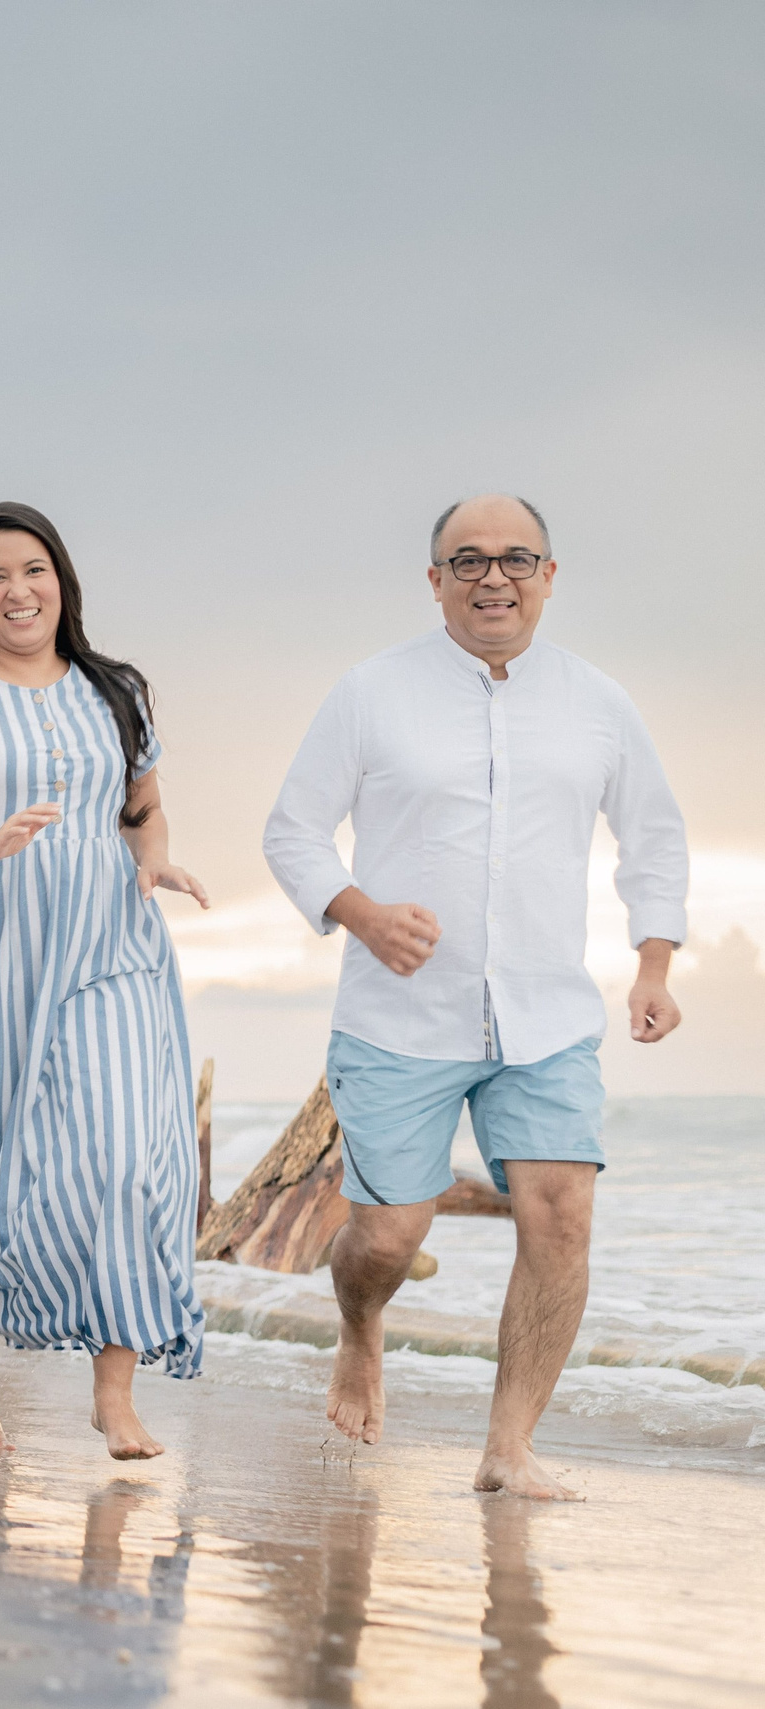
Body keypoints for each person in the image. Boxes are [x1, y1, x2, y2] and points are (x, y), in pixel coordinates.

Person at [263, 494, 686, 1500]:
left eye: (513, 558)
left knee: (561, 1212)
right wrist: (359, 913)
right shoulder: (371, 692)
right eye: (467, 561)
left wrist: (655, 961)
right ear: (434, 578)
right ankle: (360, 1327)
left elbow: (655, 835)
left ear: (548, 574)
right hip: (398, 1016)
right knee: (386, 1234)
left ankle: (507, 1445)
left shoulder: (597, 701)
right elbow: (292, 830)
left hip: (546, 1015)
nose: (491, 576)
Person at [0, 502, 209, 1459]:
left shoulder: (116, 687)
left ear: (62, 579)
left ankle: (115, 1385)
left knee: (128, 1153)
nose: (19, 592)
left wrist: (155, 861)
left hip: (111, 945)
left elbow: (142, 810)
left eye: (34, 570)